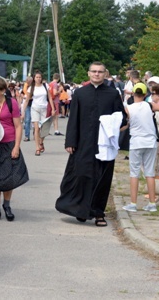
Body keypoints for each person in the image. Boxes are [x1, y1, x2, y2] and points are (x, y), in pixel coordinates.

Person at [55, 62, 127, 227]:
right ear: (88, 73)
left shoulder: (112, 94)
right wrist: (70, 141)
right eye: (94, 71)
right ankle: (81, 210)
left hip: (105, 144)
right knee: (82, 175)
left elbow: (122, 117)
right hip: (83, 143)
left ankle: (98, 213)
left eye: (100, 72)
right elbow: (73, 119)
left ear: (105, 74)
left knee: (102, 178)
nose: (96, 74)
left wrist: (112, 122)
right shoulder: (80, 93)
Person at [0, 77, 28, 221]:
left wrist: (16, 147)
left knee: (8, 176)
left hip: (8, 143)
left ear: (2, 90)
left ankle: (6, 206)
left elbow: (18, 126)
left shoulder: (11, 103)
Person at [122, 83, 159, 213]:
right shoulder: (150, 105)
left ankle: (133, 203)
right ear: (145, 94)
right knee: (150, 173)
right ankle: (152, 203)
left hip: (136, 142)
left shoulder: (128, 108)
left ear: (132, 93)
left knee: (134, 173)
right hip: (150, 142)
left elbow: (123, 125)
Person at [22, 71, 55, 155]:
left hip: (44, 108)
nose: (38, 79)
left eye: (40, 77)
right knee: (37, 128)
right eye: (37, 77)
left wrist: (53, 109)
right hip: (35, 108)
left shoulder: (45, 86)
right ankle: (37, 148)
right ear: (34, 78)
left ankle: (41, 142)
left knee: (45, 128)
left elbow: (50, 98)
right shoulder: (31, 88)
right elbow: (26, 101)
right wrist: (22, 112)